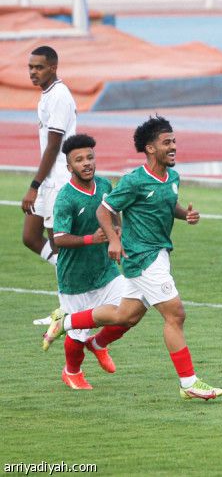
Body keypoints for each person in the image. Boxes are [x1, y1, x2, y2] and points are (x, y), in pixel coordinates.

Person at [42, 116, 222, 401]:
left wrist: (184, 214)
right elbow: (104, 211)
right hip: (142, 258)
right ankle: (188, 383)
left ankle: (66, 322)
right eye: (167, 143)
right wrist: (114, 240)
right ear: (150, 148)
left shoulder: (172, 177)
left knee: (125, 315)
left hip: (160, 254)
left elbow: (167, 203)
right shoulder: (134, 181)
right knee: (175, 314)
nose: (174, 146)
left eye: (174, 141)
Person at [50, 134, 130, 390]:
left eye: (90, 157)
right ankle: (72, 371)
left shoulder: (105, 185)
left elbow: (114, 215)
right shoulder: (65, 197)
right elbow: (58, 239)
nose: (86, 163)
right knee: (76, 333)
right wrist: (90, 239)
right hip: (75, 279)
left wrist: (117, 231)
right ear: (69, 166)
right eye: (79, 159)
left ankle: (99, 344)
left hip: (105, 271)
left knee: (131, 312)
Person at [21, 45, 77, 267]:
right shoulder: (47, 94)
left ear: (53, 68)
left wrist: (34, 186)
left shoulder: (60, 96)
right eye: (30, 67)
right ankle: (70, 282)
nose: (33, 72)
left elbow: (54, 146)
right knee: (31, 237)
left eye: (39, 67)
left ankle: (73, 299)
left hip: (58, 181)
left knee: (59, 244)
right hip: (48, 179)